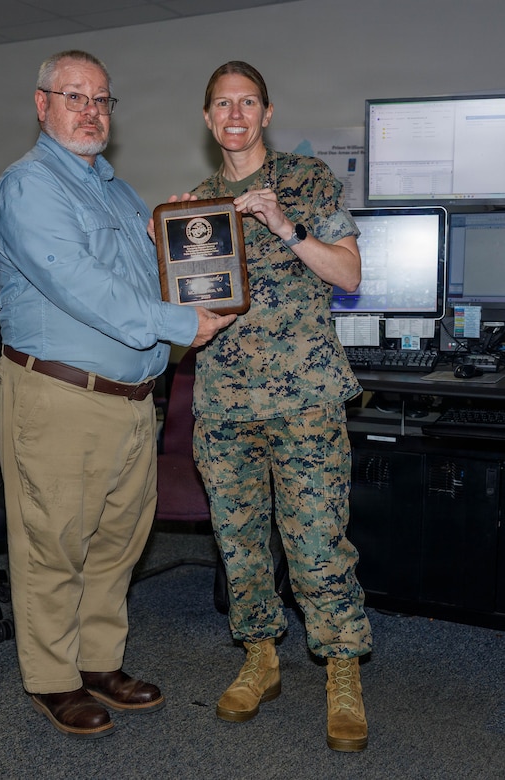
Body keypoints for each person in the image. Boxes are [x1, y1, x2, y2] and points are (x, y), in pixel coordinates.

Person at [0, 50, 235, 739]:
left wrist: (178, 246)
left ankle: (98, 663)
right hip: (59, 395)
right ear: (42, 105)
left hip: (130, 399)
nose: (90, 111)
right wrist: (186, 323)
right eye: (74, 97)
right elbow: (84, 290)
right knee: (54, 544)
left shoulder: (119, 193)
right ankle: (53, 679)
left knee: (117, 543)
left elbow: (138, 284)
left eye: (101, 100)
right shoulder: (30, 188)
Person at [189, 61, 373, 752]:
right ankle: (260, 658)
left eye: (247, 102)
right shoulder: (197, 203)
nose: (234, 115)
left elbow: (349, 274)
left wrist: (284, 224)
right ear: (208, 119)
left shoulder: (307, 180)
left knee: (319, 545)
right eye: (221, 105)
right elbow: (185, 310)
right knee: (239, 548)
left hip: (304, 399)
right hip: (225, 403)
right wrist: (167, 250)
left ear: (265, 113)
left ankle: (342, 672)